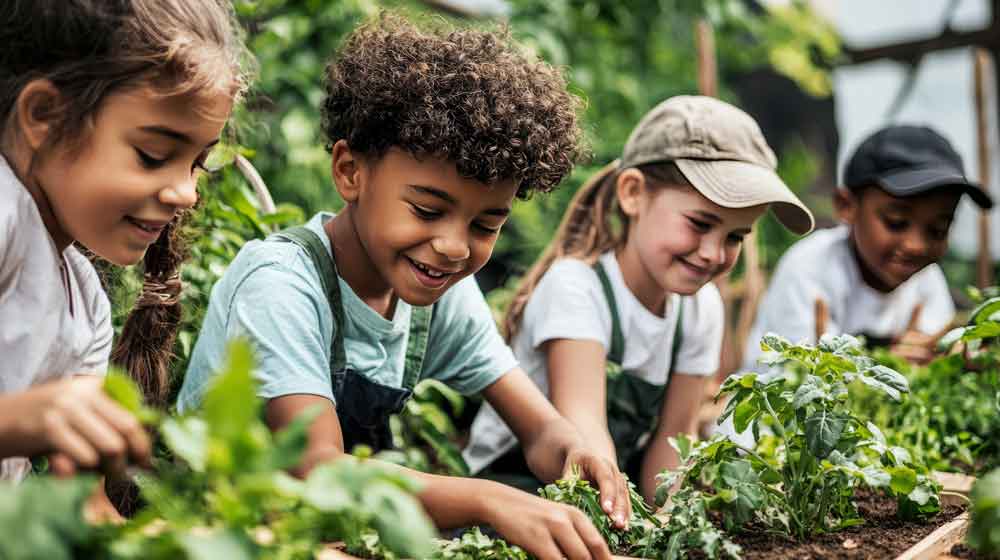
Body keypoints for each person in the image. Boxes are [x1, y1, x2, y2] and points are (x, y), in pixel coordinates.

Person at [178, 16, 626, 560]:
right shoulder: (282, 283)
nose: (456, 247)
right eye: (428, 210)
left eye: (486, 225)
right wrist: (487, 499)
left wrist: (575, 453)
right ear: (350, 171)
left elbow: (539, 432)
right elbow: (319, 474)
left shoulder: (442, 297)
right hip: (216, 532)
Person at [463, 95, 815, 504]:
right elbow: (586, 430)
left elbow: (672, 441)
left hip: (602, 494)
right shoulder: (577, 288)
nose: (713, 254)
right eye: (700, 224)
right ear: (633, 194)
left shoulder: (700, 309)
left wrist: (666, 519)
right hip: (513, 490)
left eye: (735, 237)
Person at [0, 0, 248, 482]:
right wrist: (21, 419)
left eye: (196, 163)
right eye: (153, 155)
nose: (187, 192)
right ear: (46, 116)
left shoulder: (86, 303)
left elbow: (88, 507)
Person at [742, 124, 993, 371]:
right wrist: (892, 368)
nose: (916, 246)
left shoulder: (927, 281)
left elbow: (931, 361)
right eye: (896, 223)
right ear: (846, 206)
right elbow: (797, 383)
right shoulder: (810, 270)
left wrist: (944, 362)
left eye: (937, 230)